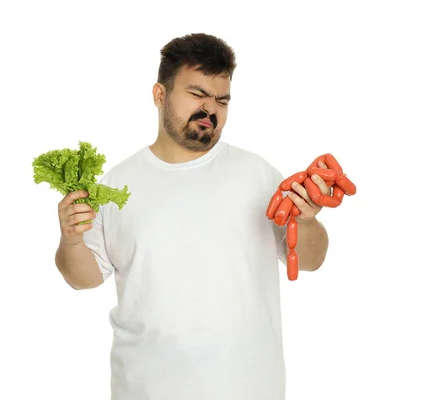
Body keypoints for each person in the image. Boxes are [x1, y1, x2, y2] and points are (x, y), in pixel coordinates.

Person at [55, 33, 331, 400]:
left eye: (221, 100)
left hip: (248, 389)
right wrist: (71, 239)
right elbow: (83, 279)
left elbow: (311, 260)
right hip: (145, 389)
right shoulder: (118, 184)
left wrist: (308, 221)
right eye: (197, 95)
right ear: (159, 95)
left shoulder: (257, 174)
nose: (210, 109)